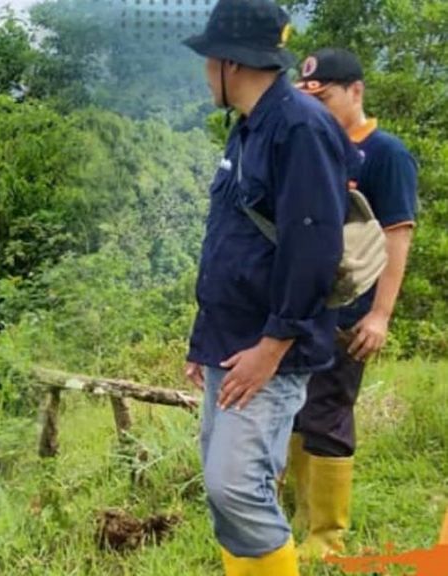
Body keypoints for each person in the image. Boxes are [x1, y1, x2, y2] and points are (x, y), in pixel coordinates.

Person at [182, 0, 359, 573]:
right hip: (229, 340)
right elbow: (233, 239)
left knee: (238, 487)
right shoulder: (249, 129)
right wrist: (201, 340)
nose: (206, 71)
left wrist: (274, 345)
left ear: (231, 62)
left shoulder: (299, 129)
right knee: (222, 484)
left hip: (267, 350)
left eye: (210, 60)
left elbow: (315, 249)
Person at [288, 47, 418, 559]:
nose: (317, 107)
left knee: (327, 412)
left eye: (327, 97)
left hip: (350, 315)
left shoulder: (385, 153)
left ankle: (326, 537)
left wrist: (380, 314)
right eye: (309, 98)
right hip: (301, 311)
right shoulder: (312, 149)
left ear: (356, 91)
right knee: (296, 412)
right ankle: (302, 515)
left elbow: (397, 235)